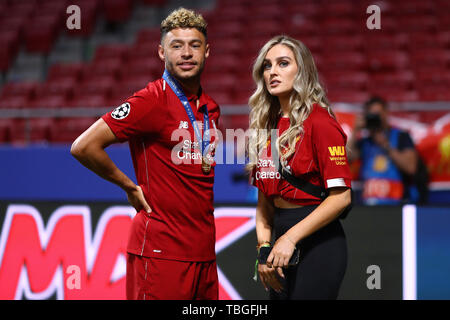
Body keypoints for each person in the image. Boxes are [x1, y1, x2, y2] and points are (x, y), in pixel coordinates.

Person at [70, 8, 220, 300]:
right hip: (161, 252)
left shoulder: (210, 108)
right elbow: (83, 146)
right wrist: (128, 185)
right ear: (162, 53)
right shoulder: (150, 100)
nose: (186, 53)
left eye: (195, 45)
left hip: (204, 254)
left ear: (207, 51)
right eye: (177, 46)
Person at [247, 35, 352, 300]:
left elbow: (341, 198)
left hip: (319, 240)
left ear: (302, 70)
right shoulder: (266, 127)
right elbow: (265, 204)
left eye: (283, 63)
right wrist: (264, 249)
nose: (272, 71)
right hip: (279, 240)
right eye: (267, 66)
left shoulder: (320, 121)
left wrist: (290, 238)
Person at [347, 96, 424, 205]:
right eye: (372, 115)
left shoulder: (401, 137)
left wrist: (386, 145)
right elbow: (345, 159)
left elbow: (411, 167)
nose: (376, 118)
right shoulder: (365, 142)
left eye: (378, 114)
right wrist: (355, 131)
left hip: (397, 205)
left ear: (386, 113)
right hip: (368, 205)